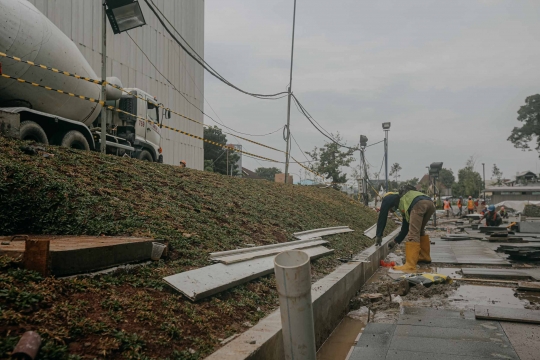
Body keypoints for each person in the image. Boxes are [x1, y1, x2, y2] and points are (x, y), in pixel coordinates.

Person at [380, 185, 435, 271]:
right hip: (430, 203)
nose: (391, 211)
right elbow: (405, 228)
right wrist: (395, 241)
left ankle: (410, 265)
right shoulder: (405, 202)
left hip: (418, 204)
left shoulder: (390, 198)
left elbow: (382, 217)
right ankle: (425, 256)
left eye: (391, 209)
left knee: (413, 234)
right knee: (419, 230)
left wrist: (379, 235)